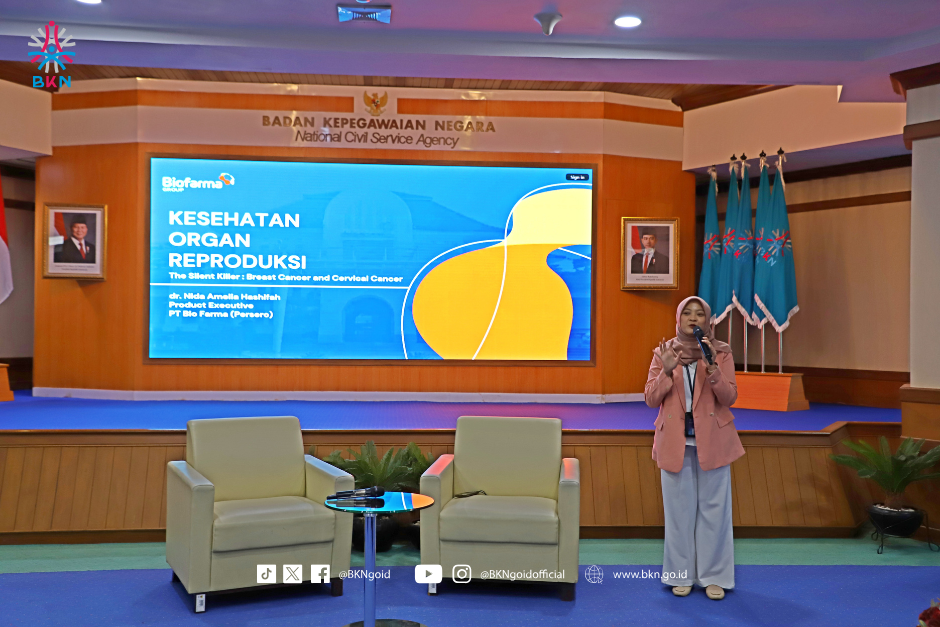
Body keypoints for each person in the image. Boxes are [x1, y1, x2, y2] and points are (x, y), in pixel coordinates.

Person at [644, 296, 744, 601]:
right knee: (679, 514)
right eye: (687, 313)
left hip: (713, 440)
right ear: (678, 319)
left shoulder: (721, 352)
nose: (693, 318)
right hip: (675, 442)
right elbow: (650, 398)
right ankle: (680, 574)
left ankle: (714, 576)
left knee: (715, 513)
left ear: (707, 320)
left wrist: (713, 368)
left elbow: (729, 397)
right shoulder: (664, 352)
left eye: (699, 314)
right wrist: (666, 371)